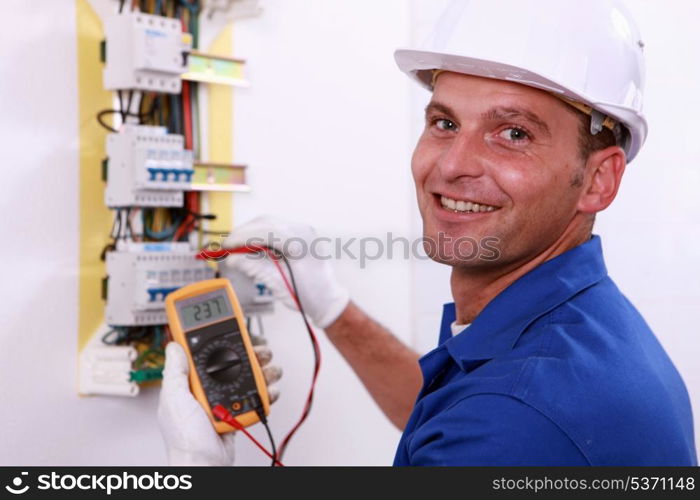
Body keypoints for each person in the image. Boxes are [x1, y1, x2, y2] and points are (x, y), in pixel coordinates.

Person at [158, 0, 697, 465]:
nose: (452, 165)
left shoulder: (513, 418)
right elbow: (449, 409)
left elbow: (489, 421)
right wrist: (331, 308)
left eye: (513, 133)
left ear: (598, 180)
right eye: (444, 123)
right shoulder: (574, 326)